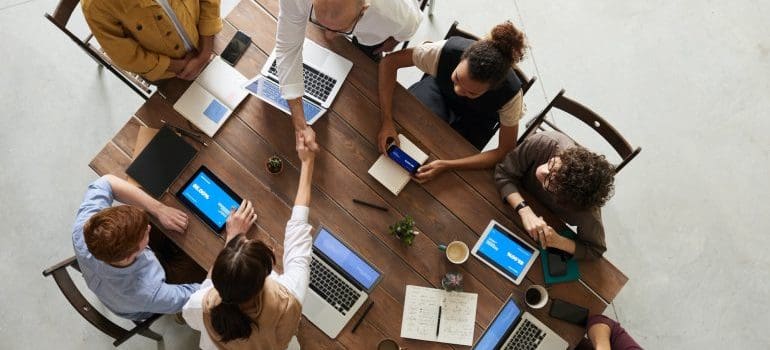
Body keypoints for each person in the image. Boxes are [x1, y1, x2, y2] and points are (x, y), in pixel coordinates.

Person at [183, 135, 317, 349]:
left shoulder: (201, 305)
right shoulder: (287, 296)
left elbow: (195, 309)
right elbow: (298, 235)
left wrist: (231, 239)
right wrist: (308, 162)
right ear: (266, 276)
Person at [377, 21, 528, 182]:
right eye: (457, 78)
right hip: (439, 92)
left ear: (492, 88)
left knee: (451, 164)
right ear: (462, 57)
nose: (458, 90)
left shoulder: (511, 97)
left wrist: (447, 165)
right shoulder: (444, 52)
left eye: (471, 92)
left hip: (479, 119)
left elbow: (505, 150)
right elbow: (389, 62)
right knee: (406, 125)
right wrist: (386, 120)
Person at [275, 0, 422, 152]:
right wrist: (300, 125)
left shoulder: (397, 15)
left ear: (364, 10)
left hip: (375, 33)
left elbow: (411, 26)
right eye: (320, 22)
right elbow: (287, 49)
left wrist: (394, 40)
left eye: (339, 30)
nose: (329, 36)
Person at [72, 174, 204, 321]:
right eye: (144, 234)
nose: (148, 227)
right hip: (145, 302)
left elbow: (107, 181)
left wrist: (159, 209)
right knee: (206, 265)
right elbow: (201, 297)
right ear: (129, 256)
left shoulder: (85, 229)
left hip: (112, 283)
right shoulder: (148, 293)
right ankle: (181, 317)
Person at [494, 131, 615, 260]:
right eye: (552, 164)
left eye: (551, 181)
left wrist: (559, 242)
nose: (542, 171)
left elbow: (595, 250)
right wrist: (524, 210)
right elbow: (503, 173)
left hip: (542, 231)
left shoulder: (586, 210)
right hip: (506, 201)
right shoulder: (545, 142)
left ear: (566, 200)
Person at [82, 0, 222, 81]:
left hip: (208, 39)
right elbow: (126, 56)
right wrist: (182, 66)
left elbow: (210, 3)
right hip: (170, 75)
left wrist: (204, 53)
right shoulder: (95, 5)